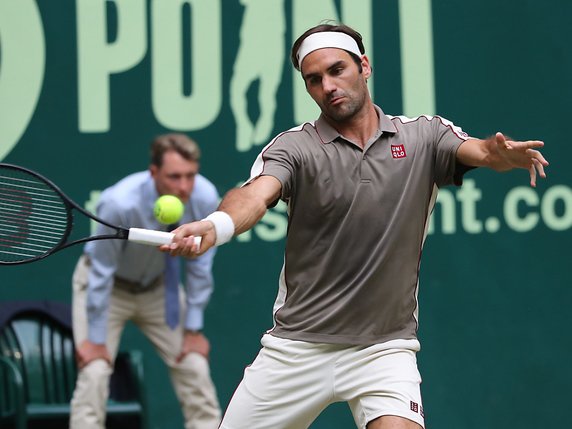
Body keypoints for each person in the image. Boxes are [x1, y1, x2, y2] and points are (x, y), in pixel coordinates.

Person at [163, 24, 549, 429]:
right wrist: (217, 224)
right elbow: (255, 195)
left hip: (383, 348)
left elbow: (483, 151)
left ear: (363, 66)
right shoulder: (294, 147)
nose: (328, 86)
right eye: (314, 80)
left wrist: (500, 155)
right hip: (297, 348)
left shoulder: (423, 135)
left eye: (337, 70)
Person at [70, 134, 222, 429]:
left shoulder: (204, 196)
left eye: (191, 176)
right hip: (107, 288)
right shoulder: (119, 202)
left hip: (157, 289)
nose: (184, 187)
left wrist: (193, 328)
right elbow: (101, 269)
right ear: (153, 173)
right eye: (174, 177)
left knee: (193, 364)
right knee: (96, 370)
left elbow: (201, 265)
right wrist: (96, 339)